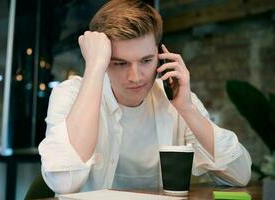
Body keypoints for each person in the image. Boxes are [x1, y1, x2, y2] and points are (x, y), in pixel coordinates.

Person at [38, 0, 252, 194]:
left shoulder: (177, 101)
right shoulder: (70, 94)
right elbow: (64, 183)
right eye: (120, 63)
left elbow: (240, 175)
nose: (135, 76)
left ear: (160, 56)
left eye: (146, 61)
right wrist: (94, 67)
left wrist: (187, 108)